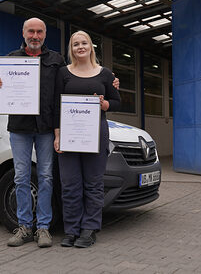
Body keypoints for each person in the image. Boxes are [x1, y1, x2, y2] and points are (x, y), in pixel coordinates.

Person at [0, 18, 65, 248]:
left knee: (46, 177)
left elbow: (67, 89)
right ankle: (25, 226)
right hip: (19, 128)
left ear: (45, 34)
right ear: (24, 32)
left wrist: (107, 84)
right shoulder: (11, 60)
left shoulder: (56, 60)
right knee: (21, 177)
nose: (35, 36)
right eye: (31, 31)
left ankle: (44, 228)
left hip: (47, 128)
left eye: (39, 32)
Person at [53, 31, 121, 248]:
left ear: (91, 46)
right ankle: (71, 229)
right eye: (75, 44)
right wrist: (57, 135)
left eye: (84, 43)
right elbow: (56, 106)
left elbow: (117, 101)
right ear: (71, 49)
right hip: (69, 135)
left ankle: (89, 229)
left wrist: (105, 105)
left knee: (93, 183)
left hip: (96, 133)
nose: (80, 47)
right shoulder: (63, 73)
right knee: (70, 184)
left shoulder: (106, 75)